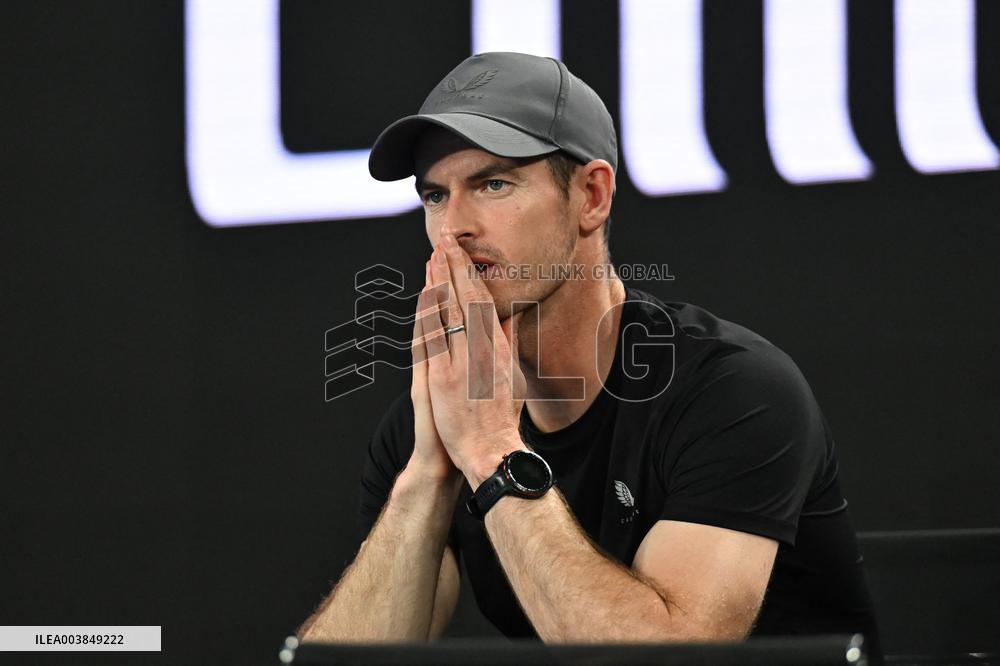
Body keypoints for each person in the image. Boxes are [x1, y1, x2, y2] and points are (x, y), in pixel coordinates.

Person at [297, 51, 881, 657]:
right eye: (435, 196)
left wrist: (495, 452)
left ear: (592, 196)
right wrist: (428, 475)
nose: (453, 229)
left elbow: (668, 655)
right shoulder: (436, 426)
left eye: (493, 184)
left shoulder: (732, 391)